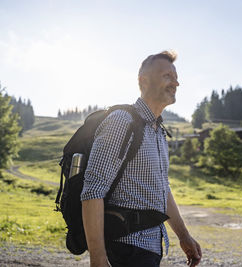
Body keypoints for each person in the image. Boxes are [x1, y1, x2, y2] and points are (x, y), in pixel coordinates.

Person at [81, 50, 202, 267]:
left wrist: (184, 236)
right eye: (167, 76)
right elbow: (93, 190)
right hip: (124, 249)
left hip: (150, 249)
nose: (176, 83)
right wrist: (98, 259)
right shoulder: (122, 122)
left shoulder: (159, 132)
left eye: (175, 77)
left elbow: (163, 189)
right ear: (143, 81)